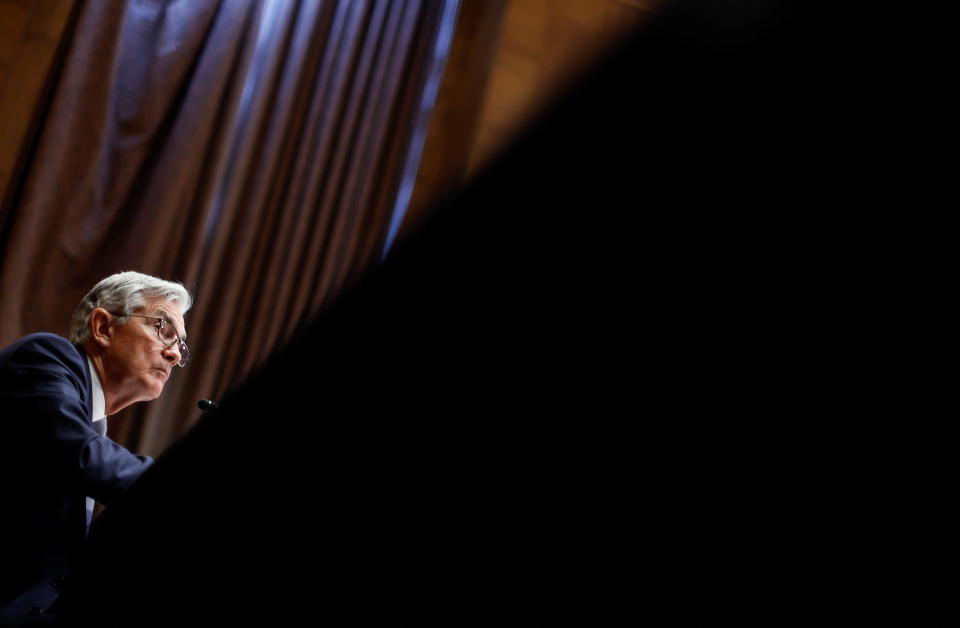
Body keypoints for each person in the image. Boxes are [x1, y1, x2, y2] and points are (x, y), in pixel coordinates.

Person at [0, 271, 192, 626]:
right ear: (103, 327)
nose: (174, 355)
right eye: (163, 328)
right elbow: (82, 456)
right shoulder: (44, 358)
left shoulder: (95, 425)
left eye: (181, 346)